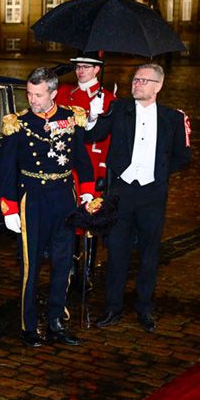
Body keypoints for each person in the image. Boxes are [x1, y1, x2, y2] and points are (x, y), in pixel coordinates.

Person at [87, 63, 191, 333]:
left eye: (143, 81)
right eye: (135, 80)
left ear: (158, 86)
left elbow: (183, 156)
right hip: (121, 192)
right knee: (117, 252)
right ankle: (113, 307)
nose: (136, 84)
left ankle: (144, 308)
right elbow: (93, 135)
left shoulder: (173, 118)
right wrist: (94, 115)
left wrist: (157, 174)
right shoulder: (119, 109)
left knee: (149, 254)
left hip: (152, 195)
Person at [0, 67, 95, 348]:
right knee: (30, 265)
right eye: (29, 93)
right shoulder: (18, 123)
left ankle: (55, 322)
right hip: (33, 199)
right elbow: (5, 170)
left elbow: (82, 160)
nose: (32, 99)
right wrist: (9, 208)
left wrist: (88, 193)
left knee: (63, 263)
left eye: (38, 94)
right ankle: (29, 326)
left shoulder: (70, 117)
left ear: (53, 93)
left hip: (64, 197)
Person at [56, 52, 116, 289]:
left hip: (91, 165)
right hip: (65, 164)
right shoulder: (63, 93)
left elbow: (107, 139)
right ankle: (69, 268)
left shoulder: (107, 98)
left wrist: (102, 170)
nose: (80, 71)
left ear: (97, 70)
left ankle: (88, 269)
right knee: (68, 216)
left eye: (86, 67)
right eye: (78, 66)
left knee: (89, 217)